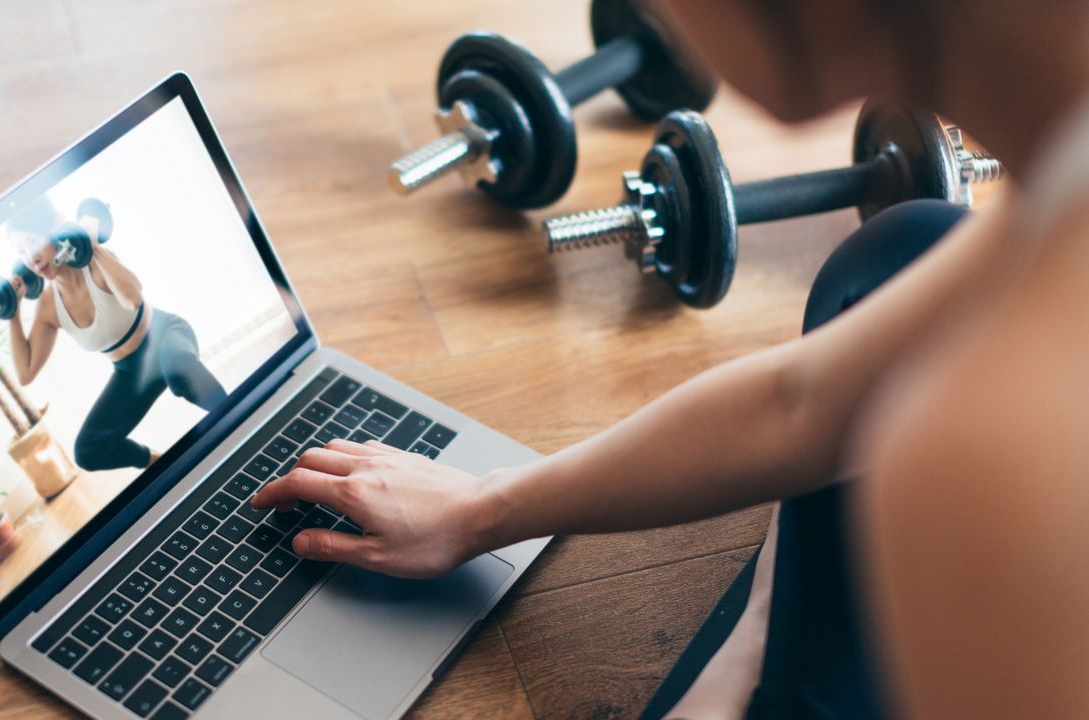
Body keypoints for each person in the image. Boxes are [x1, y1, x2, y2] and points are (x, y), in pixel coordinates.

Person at [253, 2, 1089, 718]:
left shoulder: (990, 452)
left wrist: (731, 683)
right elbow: (802, 401)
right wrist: (480, 508)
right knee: (900, 251)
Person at [5, 196, 227, 472]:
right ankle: (163, 466)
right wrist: (12, 313)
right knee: (87, 451)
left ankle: (236, 416)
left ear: (53, 230)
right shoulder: (49, 306)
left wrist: (92, 246)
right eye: (21, 251)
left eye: (32, 242)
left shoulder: (94, 261)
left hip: (163, 336)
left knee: (178, 367)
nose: (31, 257)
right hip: (131, 373)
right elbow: (26, 373)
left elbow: (133, 298)